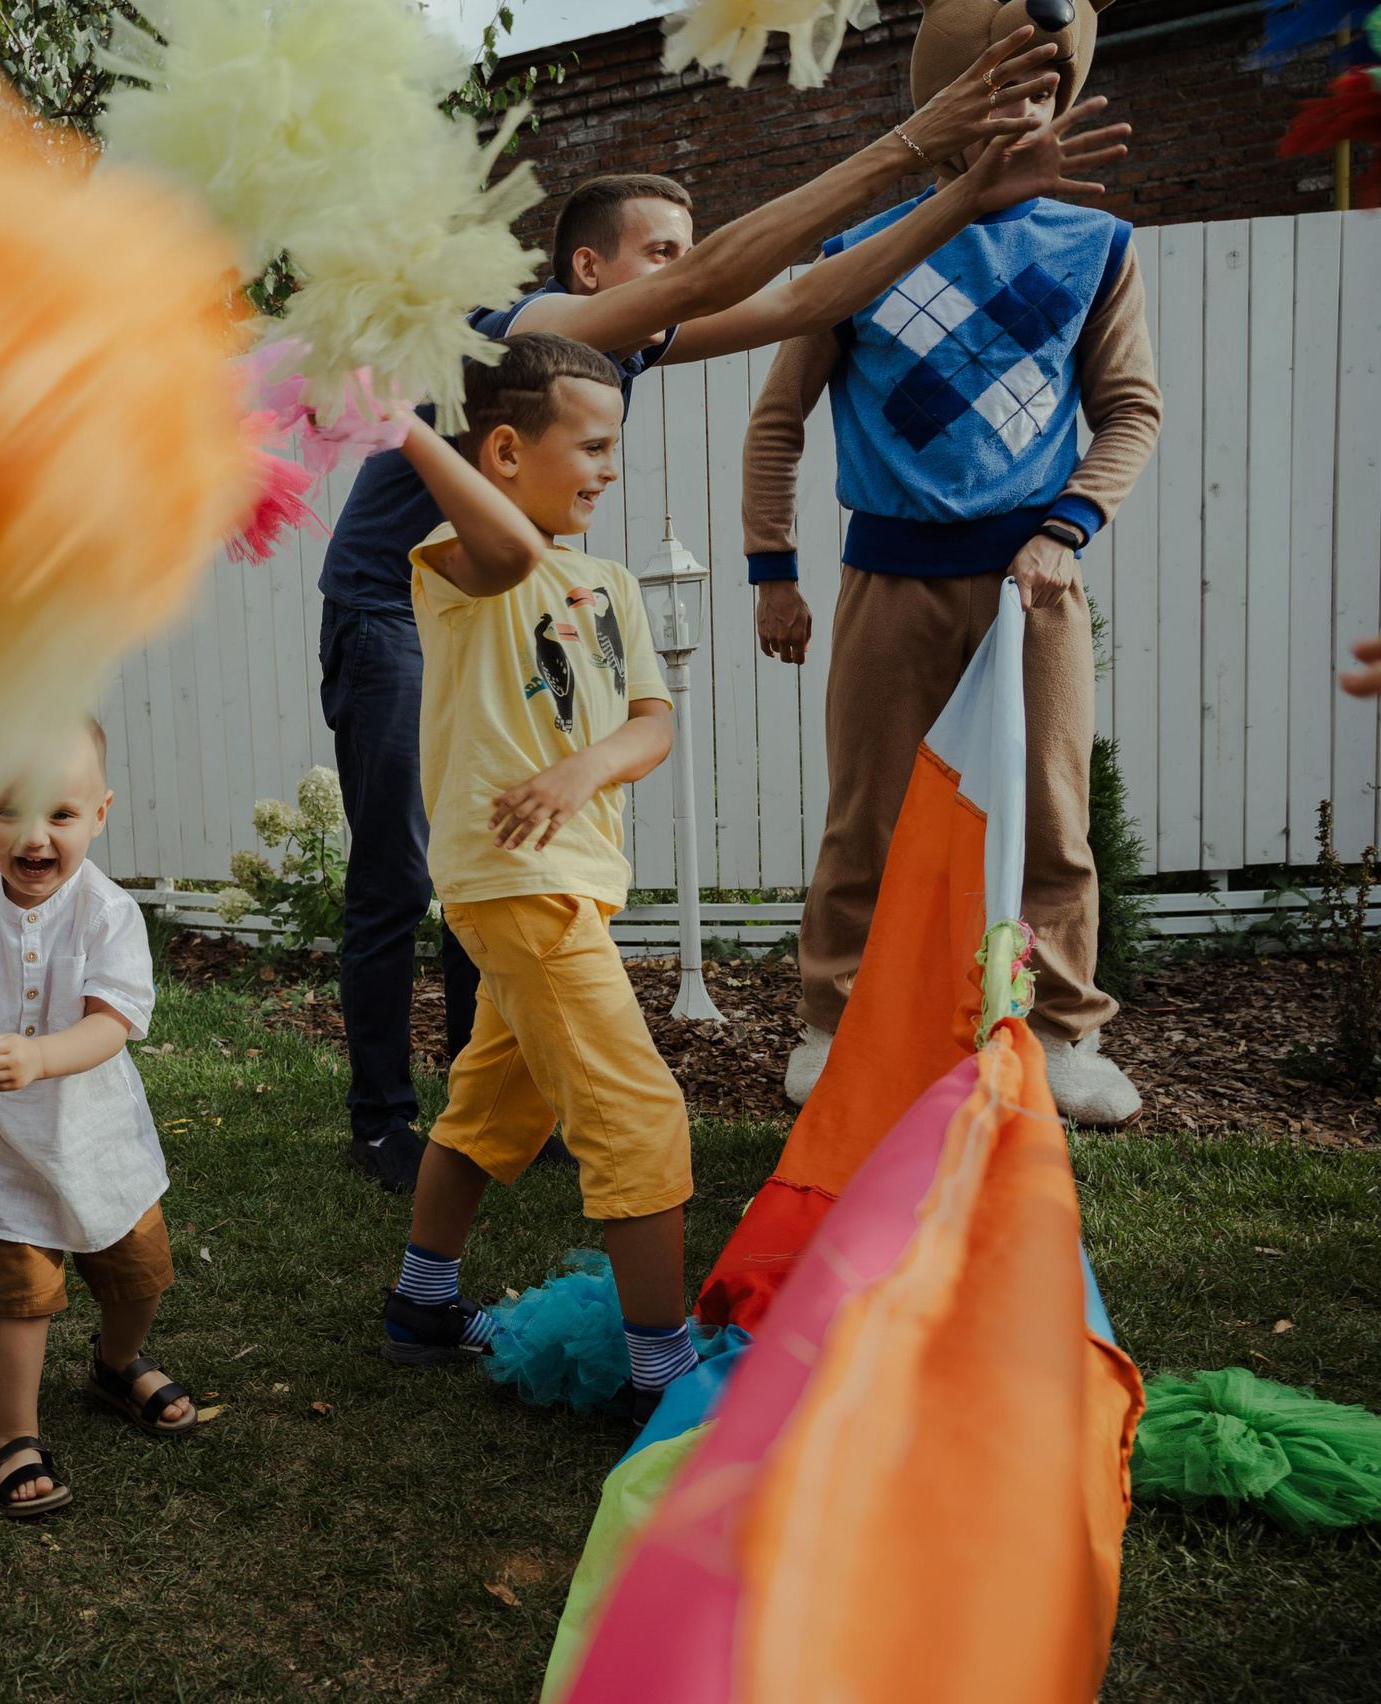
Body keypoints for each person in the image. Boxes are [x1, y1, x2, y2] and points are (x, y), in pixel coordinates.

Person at [315, 31, 1123, 1191]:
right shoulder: (523, 330)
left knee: (502, 851)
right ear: (589, 270)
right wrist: (913, 143)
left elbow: (811, 295)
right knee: (401, 867)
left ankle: (489, 1110)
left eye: (687, 249)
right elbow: (714, 284)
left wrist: (962, 196)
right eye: (662, 251)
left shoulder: (629, 344)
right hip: (394, 603)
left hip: (494, 605)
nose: (690, 268)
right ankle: (379, 1120)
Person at [743, 0, 1157, 1127]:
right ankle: (834, 1025)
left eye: (1045, 85)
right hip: (888, 578)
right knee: (867, 814)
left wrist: (1065, 529)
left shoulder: (1095, 248)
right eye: (1000, 81)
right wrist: (771, 571)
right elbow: (777, 423)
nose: (1024, 107)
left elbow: (1130, 409)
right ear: (947, 89)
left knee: (1052, 814)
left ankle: (1060, 1034)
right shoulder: (856, 253)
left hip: (1034, 580)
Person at [373, 335, 694, 1417]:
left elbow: (650, 722)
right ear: (505, 452)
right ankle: (663, 1376)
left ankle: (421, 1306)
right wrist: (402, 424)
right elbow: (509, 549)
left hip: (573, 877)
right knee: (637, 1114)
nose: (609, 468)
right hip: (519, 879)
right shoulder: (461, 562)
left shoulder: (609, 581)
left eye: (614, 447)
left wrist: (583, 767)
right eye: (591, 446)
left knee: (491, 1104)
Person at [0, 718, 193, 1518]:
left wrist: (41, 1055)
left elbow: (112, 1024)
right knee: (19, 1303)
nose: (34, 838)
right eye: (10, 812)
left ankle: (117, 1361)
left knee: (138, 1277)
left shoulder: (107, 914)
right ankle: (15, 1436)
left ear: (100, 813)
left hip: (100, 1144)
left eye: (60, 815)